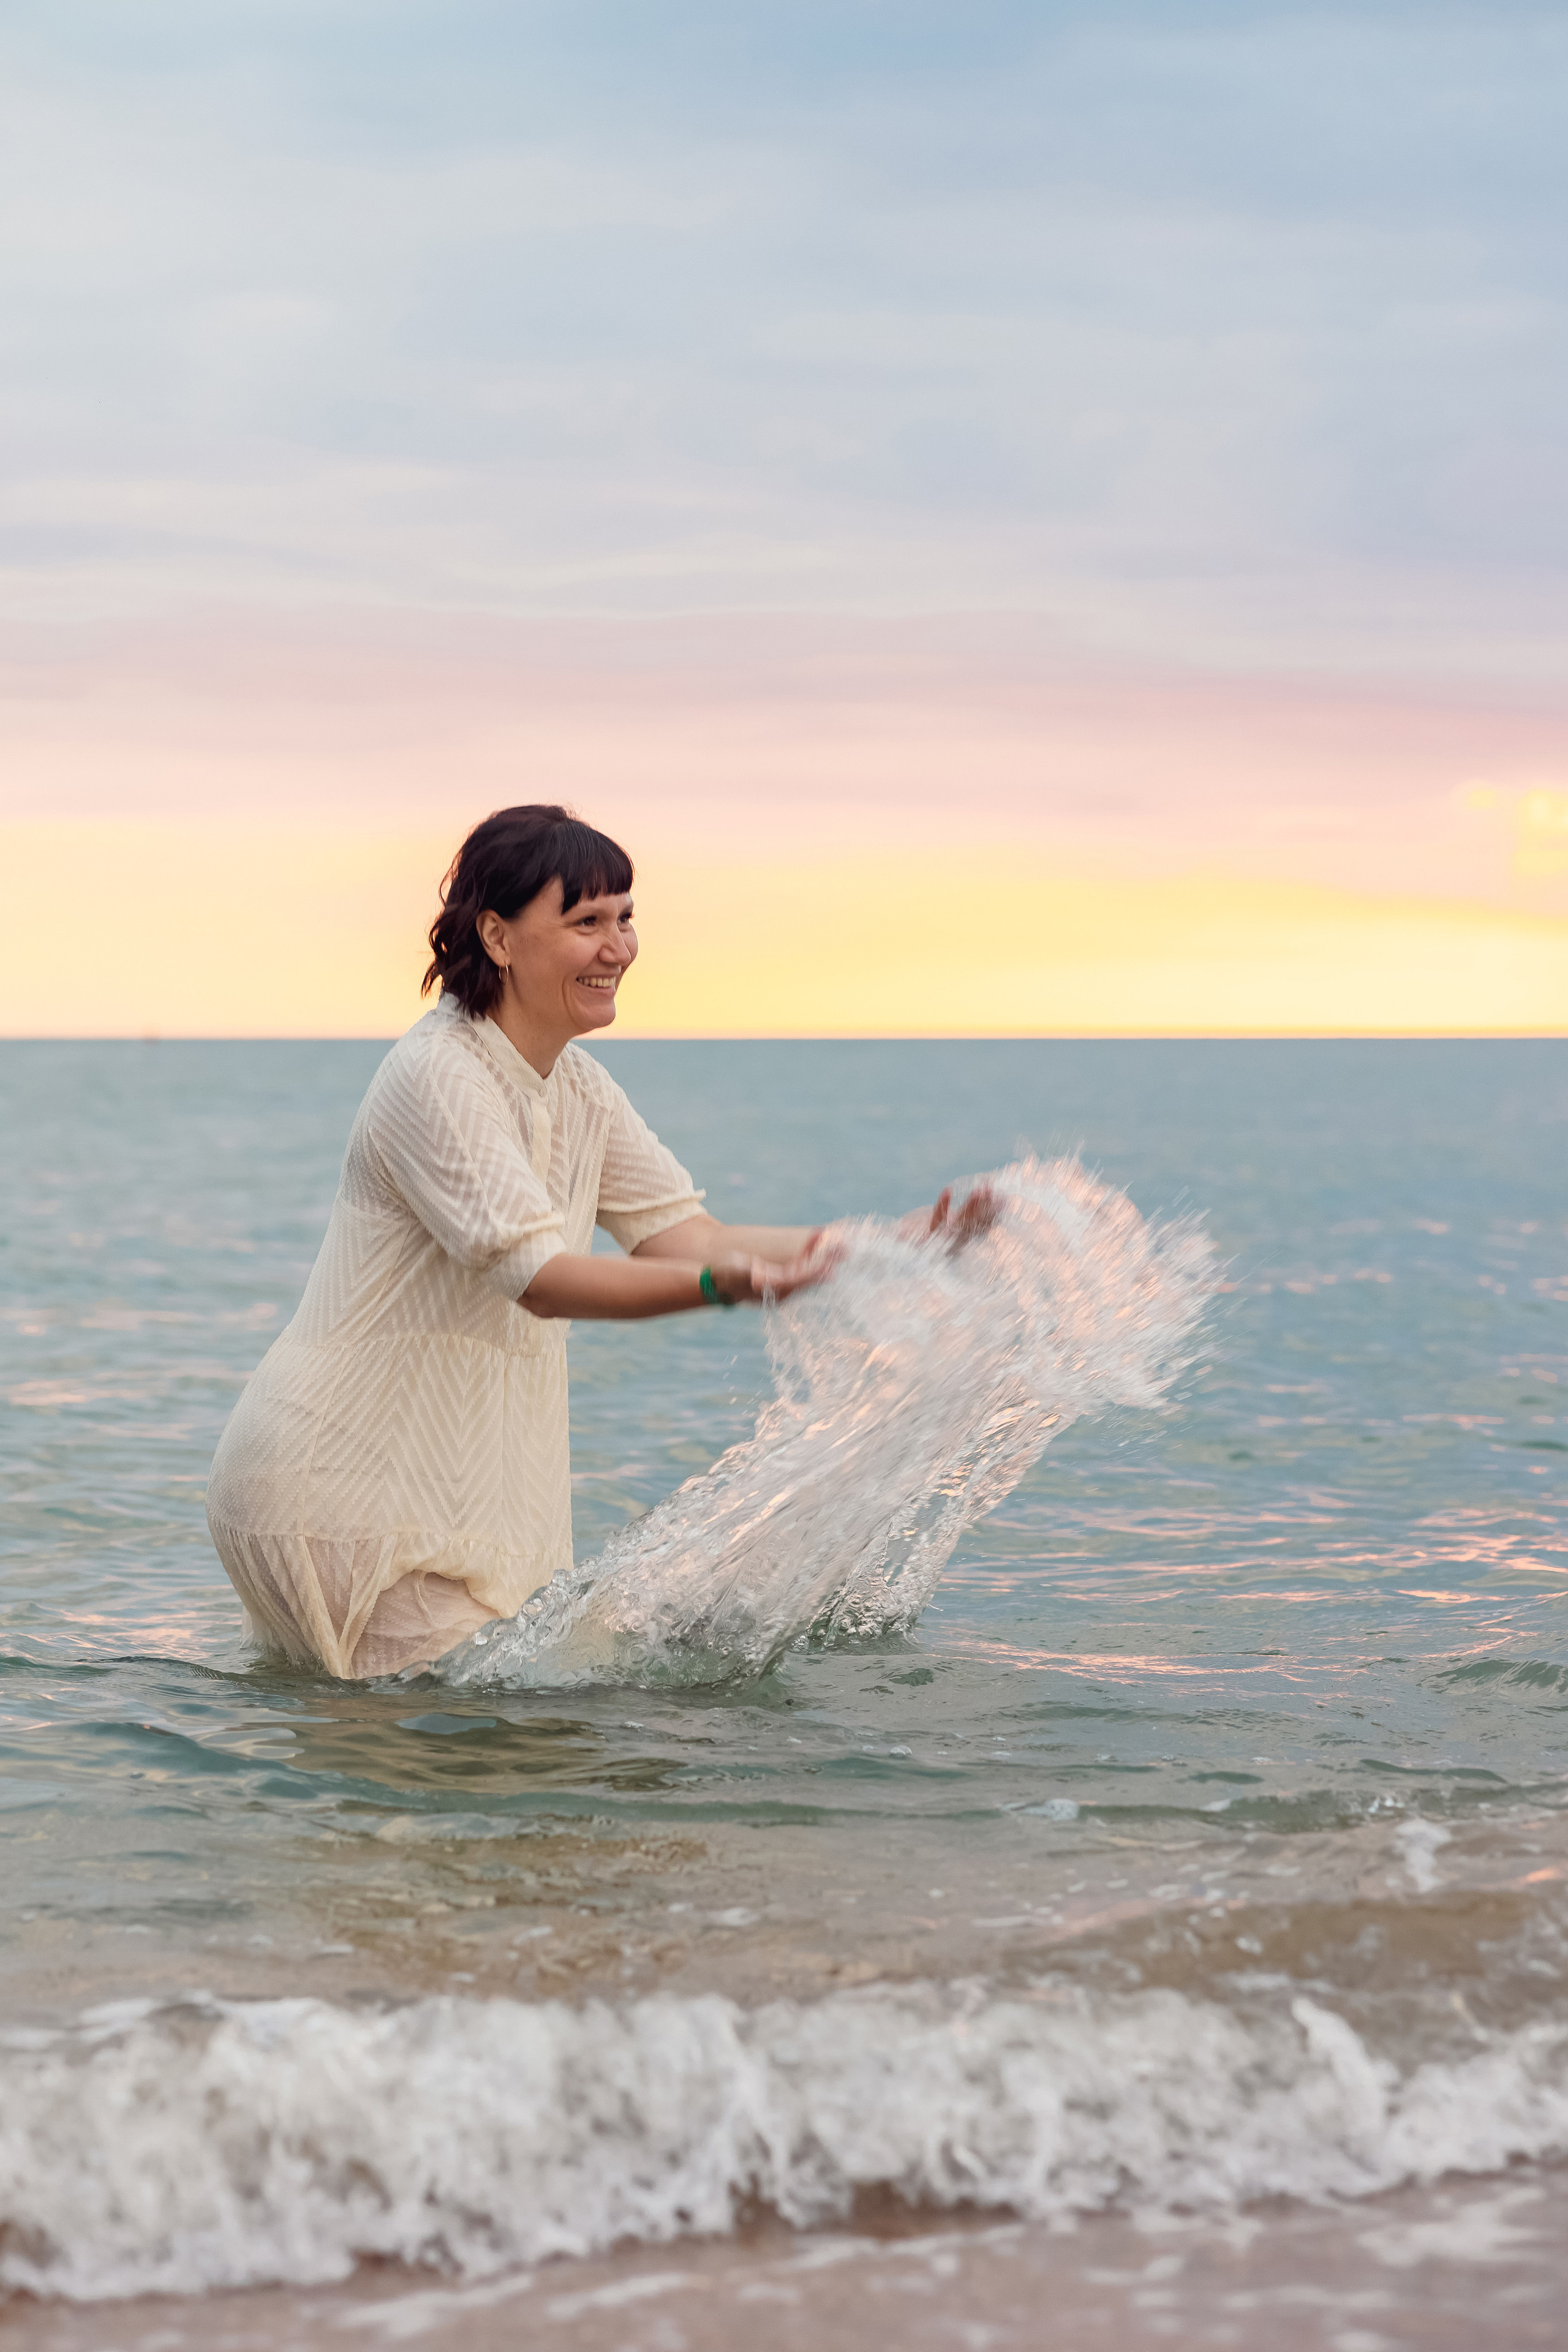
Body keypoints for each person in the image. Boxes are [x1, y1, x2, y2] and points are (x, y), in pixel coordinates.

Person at [206, 805, 989, 1679]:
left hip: (434, 1494)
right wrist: (728, 1289)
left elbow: (687, 1234)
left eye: (624, 917)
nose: (618, 946)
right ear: (498, 938)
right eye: (586, 922)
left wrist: (895, 1243)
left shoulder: (575, 1084)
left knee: (456, 1786)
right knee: (482, 1771)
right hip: (344, 1486)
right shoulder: (440, 1076)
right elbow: (541, 1278)